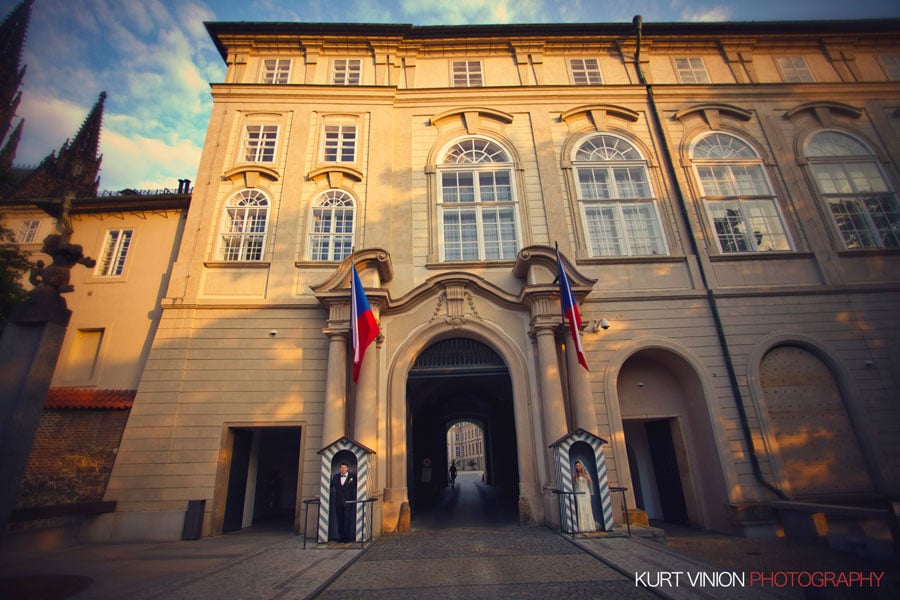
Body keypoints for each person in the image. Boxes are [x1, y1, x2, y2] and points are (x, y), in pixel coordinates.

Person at [330, 463, 357, 542]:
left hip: (348, 502)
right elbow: (330, 485)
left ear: (347, 468)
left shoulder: (352, 477)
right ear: (340, 469)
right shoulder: (336, 477)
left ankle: (347, 537)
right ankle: (340, 537)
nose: (343, 469)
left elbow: (356, 486)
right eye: (342, 468)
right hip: (338, 502)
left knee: (347, 520)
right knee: (340, 520)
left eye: (345, 468)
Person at [573, 459, 596, 533]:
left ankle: (590, 526)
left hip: (586, 492)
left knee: (587, 509)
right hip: (578, 493)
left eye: (579, 465)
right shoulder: (574, 474)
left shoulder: (586, 473)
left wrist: (587, 479)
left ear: (581, 466)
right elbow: (573, 483)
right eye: (576, 466)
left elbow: (590, 482)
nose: (578, 467)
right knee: (581, 509)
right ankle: (582, 527)